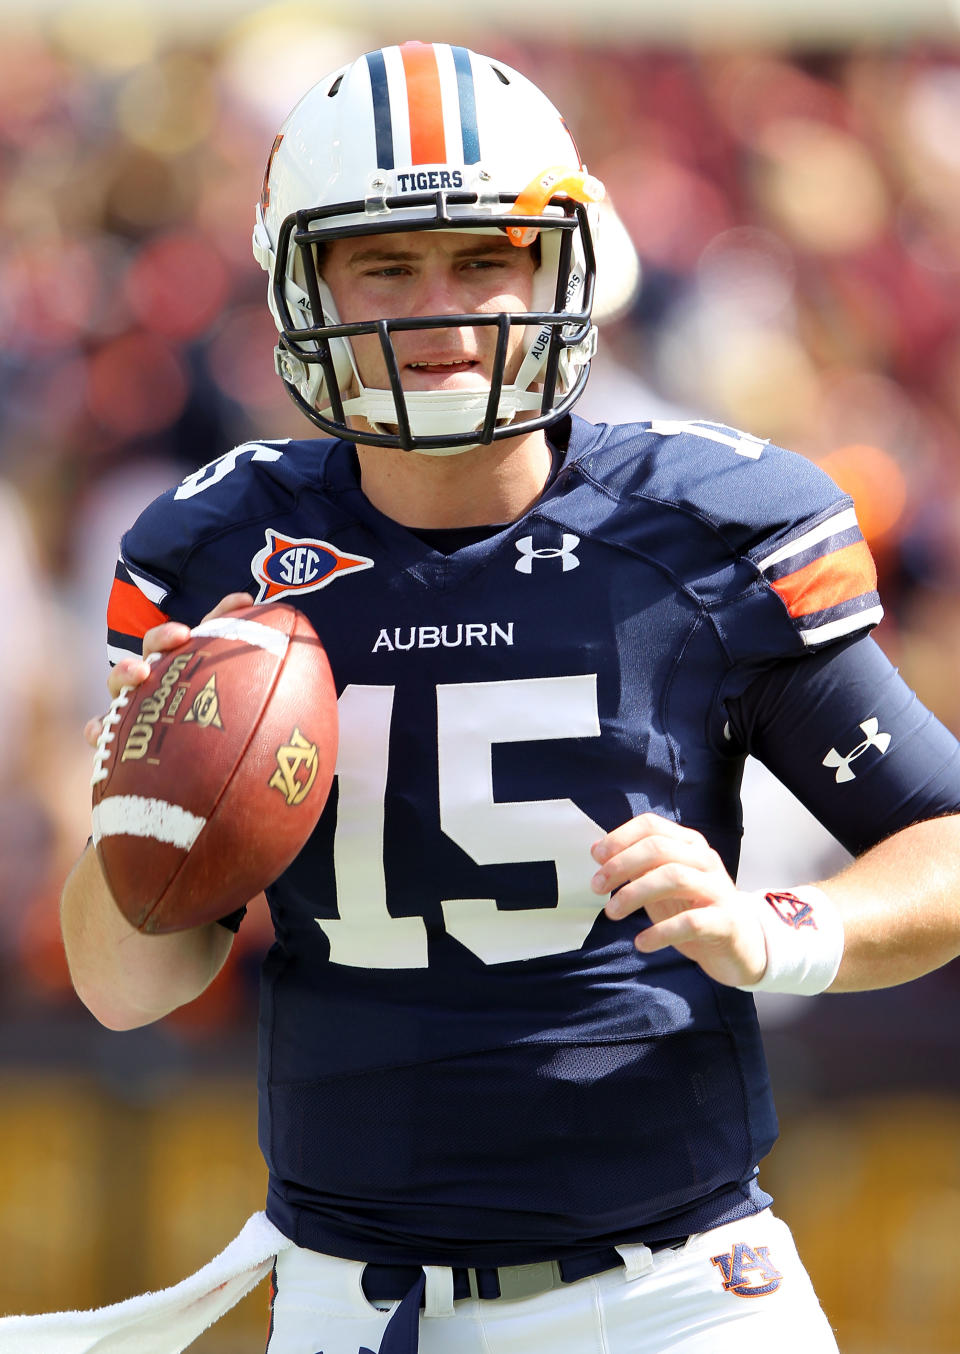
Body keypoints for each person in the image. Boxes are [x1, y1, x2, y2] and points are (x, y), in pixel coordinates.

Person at [56, 40, 960, 1354]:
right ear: (304, 281)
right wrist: (147, 823)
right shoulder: (215, 553)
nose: (441, 308)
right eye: (386, 262)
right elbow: (126, 989)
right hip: (351, 1293)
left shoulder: (706, 526)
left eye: (484, 258)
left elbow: (941, 837)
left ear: (562, 270)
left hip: (681, 1292)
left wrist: (780, 923)